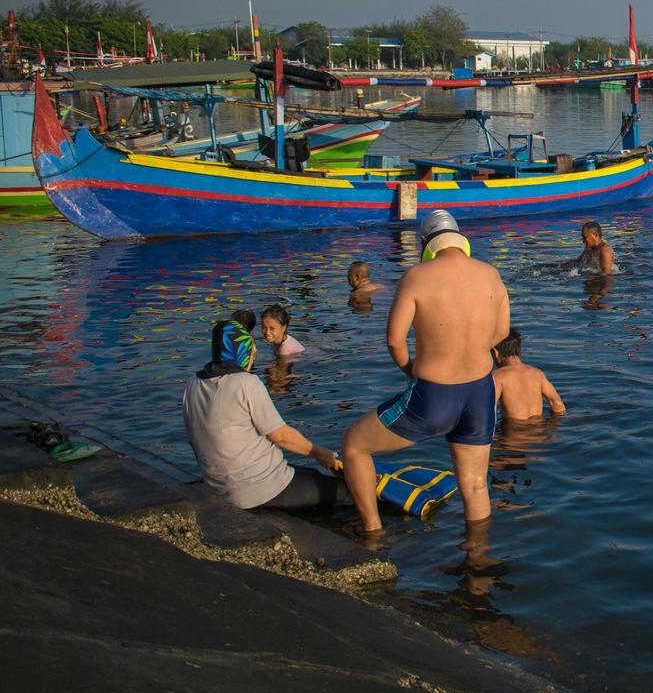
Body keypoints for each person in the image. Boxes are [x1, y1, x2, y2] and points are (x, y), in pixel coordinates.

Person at [340, 210, 510, 534]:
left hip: (434, 394)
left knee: (353, 446)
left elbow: (394, 340)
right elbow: (502, 331)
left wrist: (410, 370)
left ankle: (373, 533)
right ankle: (479, 567)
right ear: (461, 241)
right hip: (480, 391)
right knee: (475, 487)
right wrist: (471, 350)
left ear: (426, 244)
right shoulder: (491, 274)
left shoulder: (417, 276)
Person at [181, 320, 347, 511]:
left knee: (310, 475)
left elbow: (194, 441)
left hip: (218, 488)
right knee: (346, 491)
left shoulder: (192, 384)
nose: (253, 357)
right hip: (259, 489)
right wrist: (321, 453)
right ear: (242, 351)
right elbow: (281, 437)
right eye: (252, 352)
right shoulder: (246, 383)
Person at [492, 329, 566, 422]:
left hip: (513, 432)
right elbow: (556, 403)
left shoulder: (498, 376)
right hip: (539, 431)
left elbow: (488, 409)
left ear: (496, 353)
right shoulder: (537, 373)